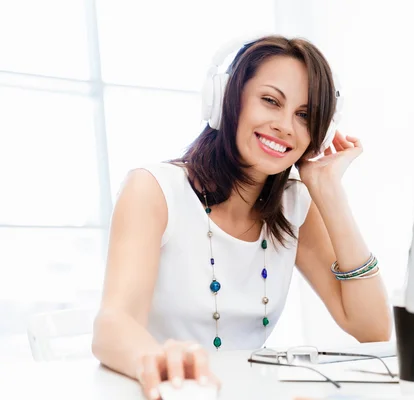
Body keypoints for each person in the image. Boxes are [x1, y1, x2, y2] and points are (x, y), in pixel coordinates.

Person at [91, 35, 391, 400]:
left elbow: (372, 328)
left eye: (304, 116)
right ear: (226, 100)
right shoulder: (153, 189)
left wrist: (327, 188)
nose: (285, 126)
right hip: (169, 392)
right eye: (270, 101)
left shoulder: (293, 205)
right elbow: (113, 324)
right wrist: (166, 367)